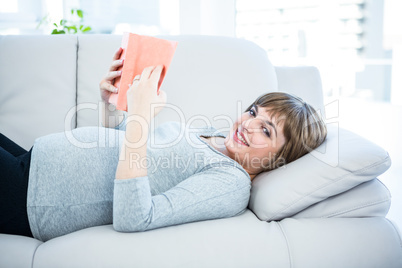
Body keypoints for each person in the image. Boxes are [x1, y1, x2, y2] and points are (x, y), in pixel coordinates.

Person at [0, 48, 327, 242]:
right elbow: (127, 147)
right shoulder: (211, 133)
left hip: (33, 198)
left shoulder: (230, 183)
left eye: (266, 131)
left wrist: (142, 117)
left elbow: (134, 216)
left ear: (279, 159)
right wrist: (114, 104)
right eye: (253, 112)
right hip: (33, 162)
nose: (248, 124)